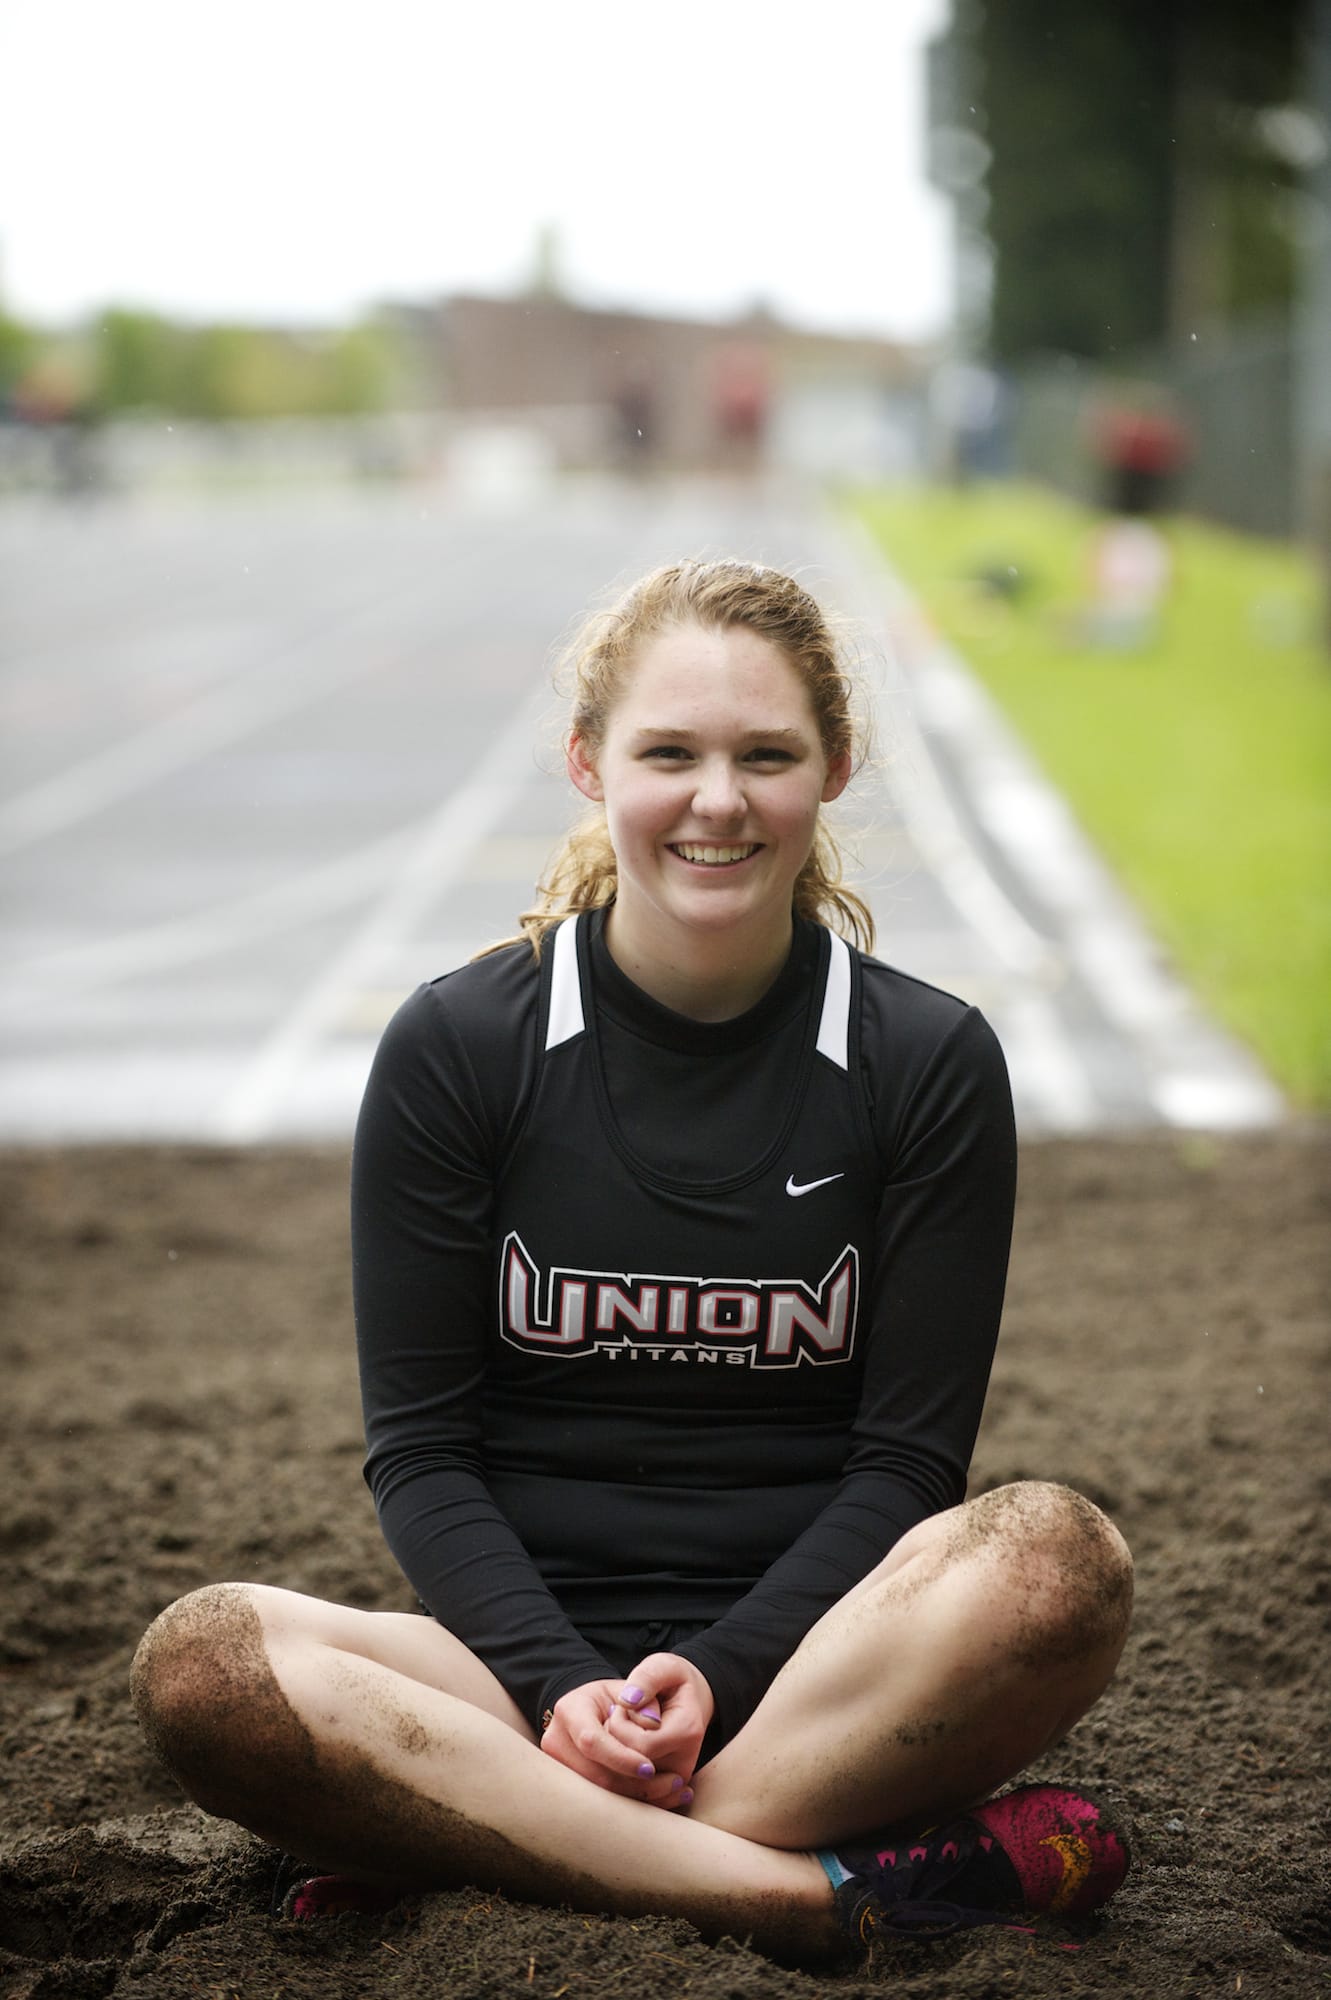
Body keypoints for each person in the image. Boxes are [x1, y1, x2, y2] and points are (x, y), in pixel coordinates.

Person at [131, 559, 1134, 1960]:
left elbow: (908, 1467)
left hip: (811, 1688)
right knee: (209, 1667)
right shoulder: (460, 1047)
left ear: (833, 769)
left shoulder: (927, 1062)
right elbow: (420, 1454)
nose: (718, 801)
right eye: (670, 753)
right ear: (589, 761)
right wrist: (555, 1689)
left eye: (765, 756)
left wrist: (718, 1674)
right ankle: (816, 1893)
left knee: (1056, 1562)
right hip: (504, 1679)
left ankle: (496, 1844)